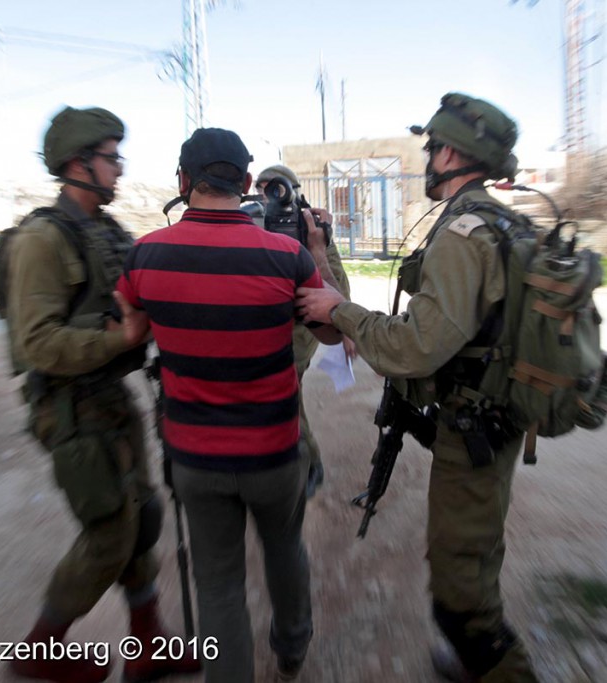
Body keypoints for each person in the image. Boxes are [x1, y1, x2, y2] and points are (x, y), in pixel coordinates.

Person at [295, 93, 539, 682]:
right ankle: (473, 656)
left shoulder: (463, 233)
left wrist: (341, 310)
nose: (427, 159)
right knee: (472, 550)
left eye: (431, 148)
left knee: (458, 591)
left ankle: (499, 666)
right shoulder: (506, 222)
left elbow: (416, 346)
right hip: (499, 416)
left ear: (452, 152)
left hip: (476, 428)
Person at [114, 128, 342, 682]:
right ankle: (292, 646)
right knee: (285, 547)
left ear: (182, 181)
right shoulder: (286, 256)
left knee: (218, 586)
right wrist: (315, 251)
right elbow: (334, 335)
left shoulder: (144, 254)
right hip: (275, 451)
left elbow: (128, 335)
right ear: (245, 184)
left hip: (195, 459)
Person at [6, 105, 200, 683]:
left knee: (141, 518)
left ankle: (148, 647)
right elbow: (38, 342)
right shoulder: (41, 240)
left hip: (111, 399)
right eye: (111, 158)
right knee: (110, 534)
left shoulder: (107, 232)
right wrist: (120, 336)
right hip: (69, 410)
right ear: (77, 164)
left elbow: (136, 301)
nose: (119, 169)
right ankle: (39, 648)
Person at [254, 164, 355, 498]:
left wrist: (317, 245)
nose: (268, 196)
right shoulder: (252, 223)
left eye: (275, 188)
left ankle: (309, 462)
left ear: (294, 192)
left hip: (301, 325)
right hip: (266, 325)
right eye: (262, 188)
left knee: (286, 391)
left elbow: (338, 285)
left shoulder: (309, 227)